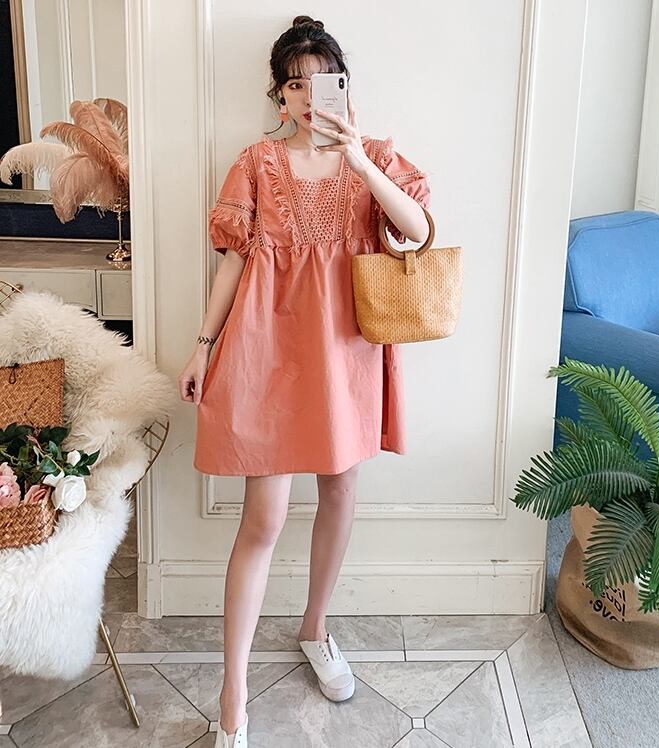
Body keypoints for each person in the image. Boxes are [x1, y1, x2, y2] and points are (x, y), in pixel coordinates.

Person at [177, 14, 430, 748]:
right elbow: (234, 259)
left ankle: (315, 628)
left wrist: (361, 162)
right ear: (280, 95)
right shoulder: (256, 163)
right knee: (263, 519)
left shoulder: (373, 156)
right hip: (268, 350)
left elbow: (417, 231)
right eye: (294, 84)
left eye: (321, 81)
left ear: (343, 88)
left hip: (344, 351)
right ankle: (232, 695)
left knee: (341, 490)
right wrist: (202, 346)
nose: (307, 95)